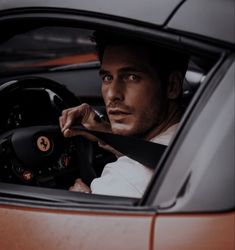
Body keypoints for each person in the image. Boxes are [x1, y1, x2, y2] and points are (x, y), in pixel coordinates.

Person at [59, 31, 189, 198]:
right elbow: (154, 153)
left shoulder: (123, 181)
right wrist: (104, 133)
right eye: (107, 77)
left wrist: (84, 200)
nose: (112, 94)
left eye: (132, 77)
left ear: (172, 86)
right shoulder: (204, 128)